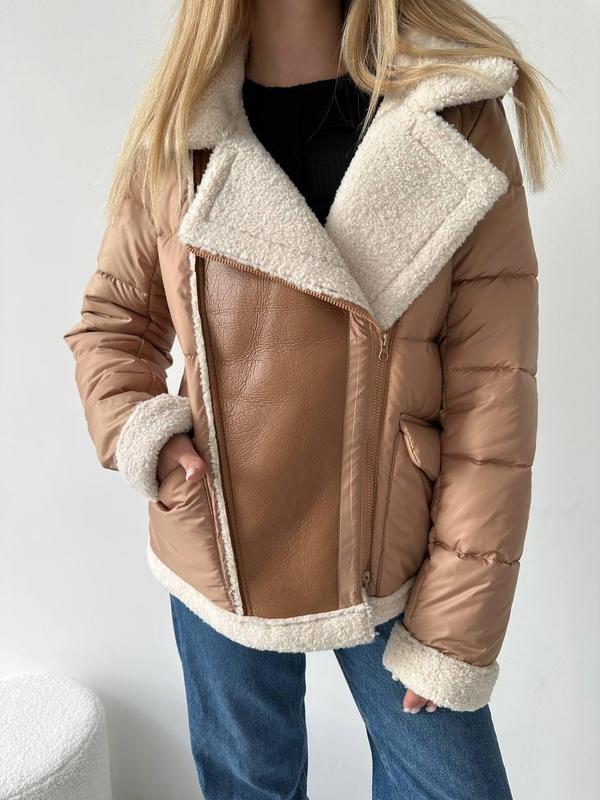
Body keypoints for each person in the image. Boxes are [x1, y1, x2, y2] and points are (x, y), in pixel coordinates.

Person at [63, 1, 561, 797]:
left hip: (394, 551)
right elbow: (112, 325)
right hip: (221, 543)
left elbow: (491, 398)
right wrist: (147, 437)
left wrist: (456, 625)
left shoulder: (453, 114)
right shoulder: (181, 128)